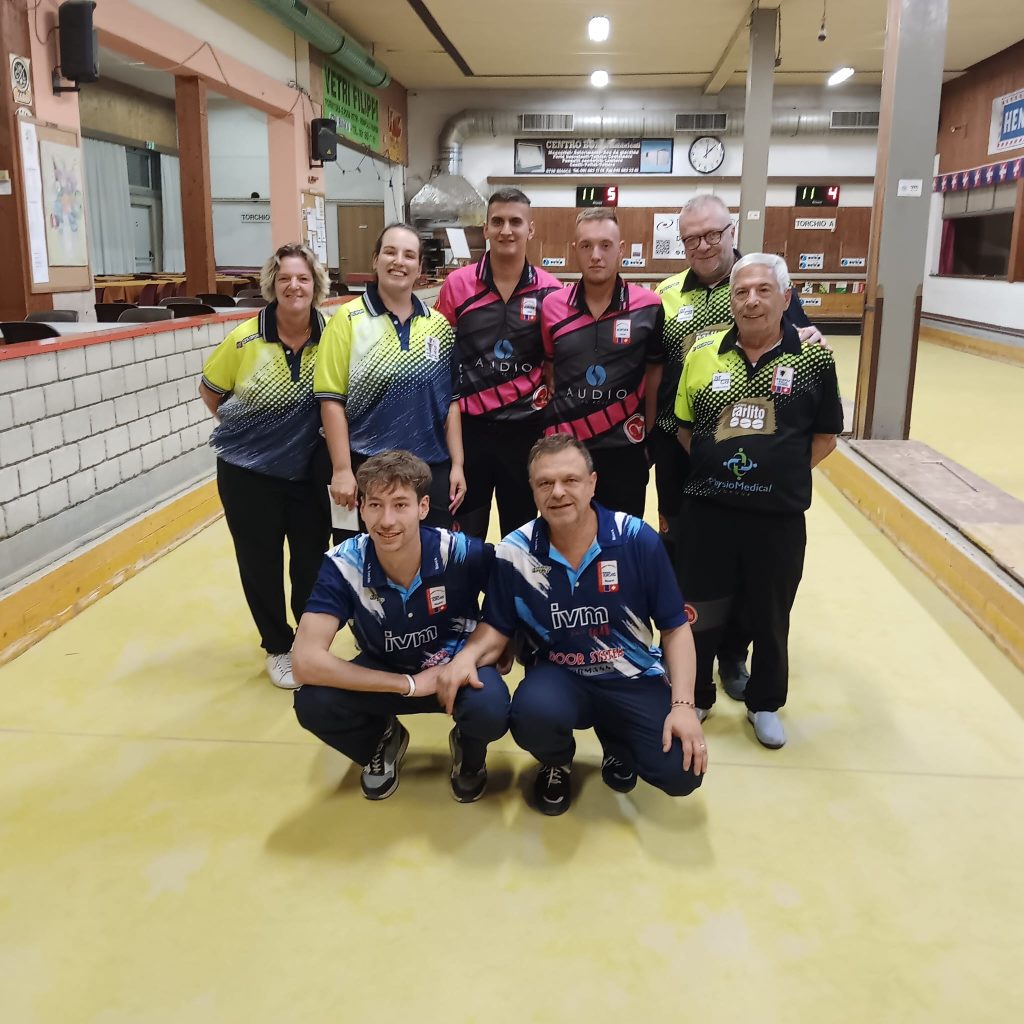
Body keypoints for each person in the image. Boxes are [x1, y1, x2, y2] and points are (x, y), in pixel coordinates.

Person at [438, 435, 706, 817]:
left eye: (570, 480)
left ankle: (618, 744)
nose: (558, 492)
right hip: (560, 677)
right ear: (532, 490)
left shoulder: (636, 539)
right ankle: (557, 760)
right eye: (545, 483)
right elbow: (496, 625)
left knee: (682, 770)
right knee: (532, 714)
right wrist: (466, 657)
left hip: (630, 674)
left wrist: (683, 706)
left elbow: (675, 628)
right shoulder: (515, 552)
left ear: (592, 483)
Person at [653, 194, 823, 699]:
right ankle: (686, 653)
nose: (703, 245)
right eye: (691, 238)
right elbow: (652, 366)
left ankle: (733, 653)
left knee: (753, 564)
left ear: (732, 231)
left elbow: (802, 340)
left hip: (749, 450)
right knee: (687, 555)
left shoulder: (763, 282)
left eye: (713, 233)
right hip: (678, 443)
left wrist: (782, 468)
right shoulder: (665, 294)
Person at [674, 254, 843, 750]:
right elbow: (685, 428)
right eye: (742, 291)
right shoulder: (703, 353)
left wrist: (776, 475)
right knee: (698, 611)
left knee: (770, 614)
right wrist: (721, 471)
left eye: (763, 290)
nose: (751, 300)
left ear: (786, 298)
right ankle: (696, 694)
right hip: (709, 512)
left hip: (777, 518)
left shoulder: (813, 359)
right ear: (731, 300)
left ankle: (764, 703)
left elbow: (826, 437)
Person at [292, 451, 510, 803]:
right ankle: (381, 739)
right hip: (385, 670)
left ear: (423, 507)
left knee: (491, 707)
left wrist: (472, 657)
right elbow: (304, 661)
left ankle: (470, 754)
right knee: (313, 702)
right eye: (375, 505)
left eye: (400, 505)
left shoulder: (460, 552)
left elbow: (506, 609)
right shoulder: (344, 564)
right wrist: (407, 685)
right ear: (361, 509)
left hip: (453, 671)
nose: (387, 520)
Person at [199, 242, 331, 689]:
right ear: (272, 284)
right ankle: (277, 646)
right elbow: (211, 391)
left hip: (309, 473)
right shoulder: (243, 339)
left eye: (303, 278)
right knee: (260, 563)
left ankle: (308, 645)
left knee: (311, 561)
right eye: (285, 278)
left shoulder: (334, 335)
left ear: (316, 285)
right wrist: (251, 436)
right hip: (247, 476)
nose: (294, 286)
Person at [314, 223, 465, 543]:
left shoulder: (438, 326)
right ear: (375, 260)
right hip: (364, 470)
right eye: (390, 252)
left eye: (409, 255)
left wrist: (458, 464)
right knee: (360, 564)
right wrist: (342, 470)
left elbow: (451, 402)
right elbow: (331, 401)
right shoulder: (347, 319)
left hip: (429, 469)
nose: (399, 261)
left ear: (420, 268)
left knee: (430, 562)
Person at [435, 188, 562, 539]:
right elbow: (440, 357)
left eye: (515, 222)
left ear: (530, 229)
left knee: (520, 537)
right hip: (469, 432)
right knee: (464, 537)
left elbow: (553, 364)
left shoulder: (552, 291)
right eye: (498, 221)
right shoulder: (457, 285)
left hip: (525, 433)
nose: (506, 230)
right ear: (486, 229)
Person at [540, 209, 665, 519]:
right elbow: (549, 368)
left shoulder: (649, 306)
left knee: (620, 539)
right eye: (586, 246)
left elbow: (654, 373)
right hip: (566, 451)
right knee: (565, 535)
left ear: (620, 249)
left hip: (625, 450)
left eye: (605, 245)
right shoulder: (552, 305)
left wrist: (648, 436)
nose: (596, 255)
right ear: (575, 250)